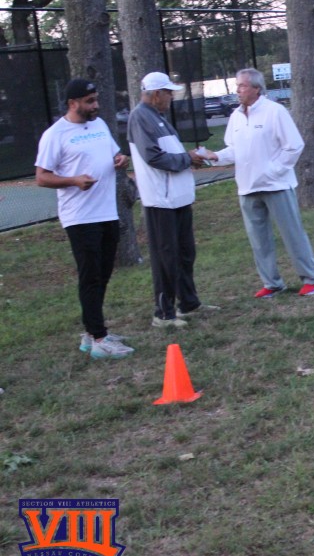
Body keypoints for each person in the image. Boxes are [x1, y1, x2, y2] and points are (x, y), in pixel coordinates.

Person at [200, 68, 314, 298]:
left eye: (242, 86)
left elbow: (294, 146)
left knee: (292, 234)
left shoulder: (275, 111)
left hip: (276, 186)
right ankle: (272, 283)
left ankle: (313, 280)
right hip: (247, 187)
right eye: (237, 86)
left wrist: (273, 171)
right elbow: (234, 149)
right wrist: (215, 156)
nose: (238, 90)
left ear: (257, 89)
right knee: (259, 240)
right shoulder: (236, 116)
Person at [35, 78, 134, 359]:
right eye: (90, 101)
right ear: (72, 103)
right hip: (80, 217)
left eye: (96, 99)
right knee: (90, 277)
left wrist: (121, 160)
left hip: (107, 212)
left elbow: (115, 154)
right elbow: (42, 177)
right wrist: (73, 180)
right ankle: (100, 339)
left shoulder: (99, 125)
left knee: (103, 273)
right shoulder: (55, 134)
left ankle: (91, 333)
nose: (96, 105)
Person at [128, 72, 217, 329]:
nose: (171, 97)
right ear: (156, 94)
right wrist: (187, 159)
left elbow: (171, 153)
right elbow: (153, 157)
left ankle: (188, 303)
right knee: (165, 257)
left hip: (178, 198)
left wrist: (190, 158)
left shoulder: (159, 118)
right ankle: (163, 312)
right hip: (161, 201)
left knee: (185, 253)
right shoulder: (140, 117)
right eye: (168, 92)